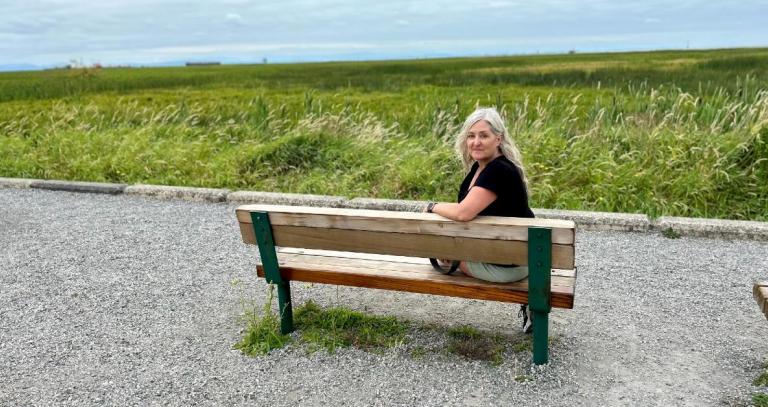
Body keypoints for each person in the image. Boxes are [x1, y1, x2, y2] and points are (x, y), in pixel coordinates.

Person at [424, 107, 535, 333]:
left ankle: (531, 304)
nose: (476, 142)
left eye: (483, 135)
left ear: (498, 138)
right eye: (471, 136)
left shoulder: (498, 171)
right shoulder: (481, 167)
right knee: (445, 252)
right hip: (514, 254)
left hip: (509, 266)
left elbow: (464, 213)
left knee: (446, 258)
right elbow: (469, 211)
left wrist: (432, 206)